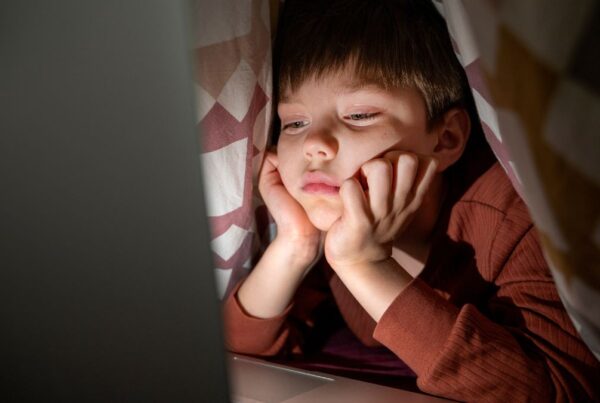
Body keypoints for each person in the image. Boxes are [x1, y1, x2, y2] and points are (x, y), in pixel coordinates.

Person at [222, 0, 600, 401]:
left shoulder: (511, 216)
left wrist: (365, 266)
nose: (314, 144)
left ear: (446, 139)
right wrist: (295, 245)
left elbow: (562, 391)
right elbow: (236, 352)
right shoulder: (329, 216)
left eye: (360, 115)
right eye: (295, 123)